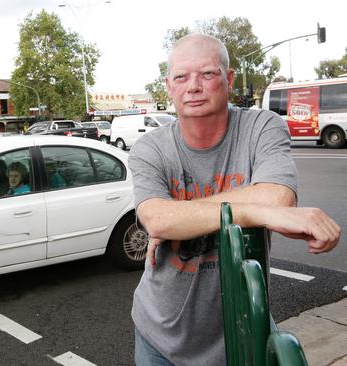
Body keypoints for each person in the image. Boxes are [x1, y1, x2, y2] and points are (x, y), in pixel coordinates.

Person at [128, 34, 340, 366]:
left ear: (228, 80)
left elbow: (278, 198)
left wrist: (180, 218)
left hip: (243, 330)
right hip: (160, 338)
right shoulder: (150, 148)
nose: (194, 86)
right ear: (168, 86)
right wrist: (259, 212)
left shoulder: (261, 126)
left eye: (207, 74)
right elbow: (157, 219)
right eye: (182, 77)